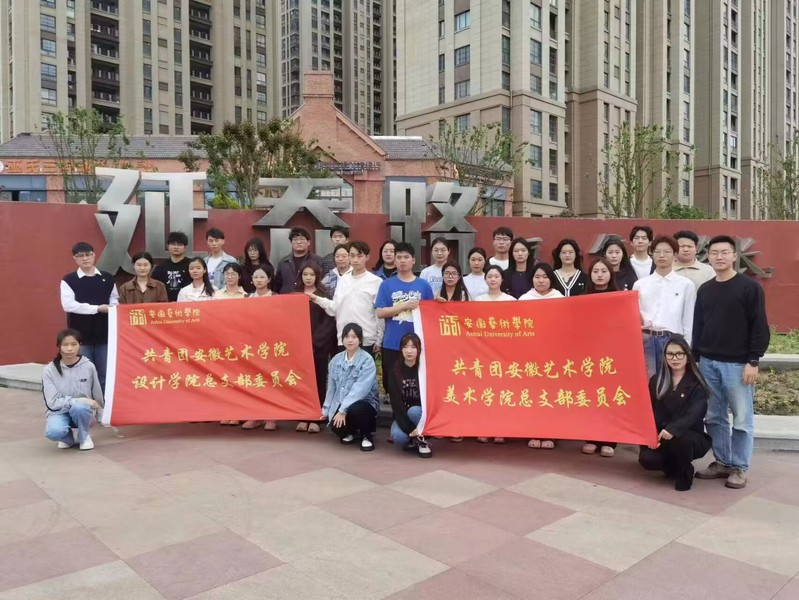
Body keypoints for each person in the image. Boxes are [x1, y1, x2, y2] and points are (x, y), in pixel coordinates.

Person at [693, 235, 770, 490]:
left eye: (724, 252)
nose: (719, 257)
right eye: (714, 253)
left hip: (738, 365)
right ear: (709, 256)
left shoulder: (749, 288)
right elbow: (698, 326)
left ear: (734, 256)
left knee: (742, 419)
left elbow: (759, 326)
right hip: (708, 363)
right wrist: (696, 358)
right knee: (714, 416)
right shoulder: (705, 289)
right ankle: (722, 461)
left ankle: (739, 466)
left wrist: (753, 361)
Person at [638, 335, 712, 491]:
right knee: (647, 459)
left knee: (681, 440)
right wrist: (651, 435)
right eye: (670, 354)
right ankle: (672, 467)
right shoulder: (656, 380)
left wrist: (673, 429)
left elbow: (694, 413)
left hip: (690, 436)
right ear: (664, 356)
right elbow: (650, 411)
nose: (675, 358)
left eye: (679, 354)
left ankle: (685, 473)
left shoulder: (697, 383)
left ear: (687, 356)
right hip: (663, 435)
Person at [375, 242, 435, 397]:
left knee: (416, 385)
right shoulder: (386, 285)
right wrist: (404, 306)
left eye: (406, 257)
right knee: (392, 385)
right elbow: (380, 312)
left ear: (413, 260)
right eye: (399, 257)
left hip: (417, 343)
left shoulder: (423, 285)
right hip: (392, 342)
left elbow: (431, 313)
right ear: (394, 261)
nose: (402, 261)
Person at [633, 236, 696, 378]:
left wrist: (686, 348)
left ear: (675, 255)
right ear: (652, 254)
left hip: (673, 341)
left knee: (672, 380)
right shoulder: (640, 284)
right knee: (648, 380)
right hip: (646, 339)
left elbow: (688, 320)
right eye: (657, 252)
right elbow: (634, 316)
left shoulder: (686, 285)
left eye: (667, 252)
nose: (661, 255)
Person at [60, 241, 118, 392]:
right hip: (81, 337)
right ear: (75, 258)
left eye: (88, 254)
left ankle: (103, 403)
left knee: (105, 374)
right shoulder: (69, 280)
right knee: (83, 374)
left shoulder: (107, 277)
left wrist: (112, 307)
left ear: (94, 255)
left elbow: (114, 299)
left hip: (105, 335)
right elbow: (69, 305)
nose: (85, 258)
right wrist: (97, 308)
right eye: (80, 256)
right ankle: (85, 403)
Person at [310, 241, 384, 356]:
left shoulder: (376, 281)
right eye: (352, 256)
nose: (355, 260)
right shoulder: (343, 280)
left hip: (366, 338)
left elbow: (379, 313)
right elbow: (335, 308)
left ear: (367, 257)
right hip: (344, 338)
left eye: (359, 256)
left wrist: (379, 339)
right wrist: (316, 299)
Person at [519, 262, 561, 449]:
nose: (541, 280)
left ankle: (552, 434)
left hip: (553, 354)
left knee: (551, 395)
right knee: (534, 395)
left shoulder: (559, 298)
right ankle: (534, 432)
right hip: (531, 355)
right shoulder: (524, 299)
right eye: (537, 277)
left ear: (551, 279)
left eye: (545, 277)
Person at [42, 329, 104, 451]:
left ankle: (84, 436)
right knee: (53, 432)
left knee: (80, 407)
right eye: (65, 345)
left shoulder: (88, 366)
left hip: (83, 412)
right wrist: (80, 400)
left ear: (80, 345)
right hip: (58, 411)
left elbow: (97, 393)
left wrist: (101, 415)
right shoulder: (49, 370)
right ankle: (67, 438)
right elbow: (52, 402)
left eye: (74, 344)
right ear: (58, 347)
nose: (70, 349)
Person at [582, 257, 619, 456]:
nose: (599, 275)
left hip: (611, 354)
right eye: (595, 271)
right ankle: (591, 438)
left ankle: (609, 440)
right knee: (590, 396)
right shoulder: (583, 298)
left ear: (610, 274)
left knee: (609, 397)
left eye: (604, 271)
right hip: (589, 354)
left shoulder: (619, 297)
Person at [323, 323, 380, 451]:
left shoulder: (367, 360)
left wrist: (343, 410)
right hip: (342, 402)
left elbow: (360, 389)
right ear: (342, 339)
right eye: (347, 336)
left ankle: (366, 435)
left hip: (364, 403)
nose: (350, 340)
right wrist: (326, 410)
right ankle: (351, 432)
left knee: (357, 409)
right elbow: (331, 388)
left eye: (354, 337)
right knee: (335, 426)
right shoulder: (335, 360)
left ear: (360, 340)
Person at [299, 264, 338, 433]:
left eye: (312, 274)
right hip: (299, 347)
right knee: (301, 381)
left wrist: (314, 342)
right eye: (305, 274)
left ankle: (316, 417)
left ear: (317, 276)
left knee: (319, 380)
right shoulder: (295, 295)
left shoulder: (324, 296)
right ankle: (302, 416)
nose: (308, 278)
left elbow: (329, 323)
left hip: (318, 347)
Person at [241, 264, 278, 431]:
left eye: (262, 277)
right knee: (253, 381)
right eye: (256, 277)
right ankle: (254, 415)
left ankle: (271, 417)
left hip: (270, 345)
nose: (259, 280)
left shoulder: (276, 298)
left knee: (270, 380)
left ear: (269, 279)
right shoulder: (246, 298)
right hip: (251, 345)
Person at [388, 333, 432, 457]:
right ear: (401, 349)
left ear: (419, 349)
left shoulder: (424, 369)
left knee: (414, 411)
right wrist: (409, 428)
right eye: (405, 347)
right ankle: (413, 439)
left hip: (420, 414)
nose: (409, 351)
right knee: (398, 437)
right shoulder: (395, 371)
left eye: (413, 347)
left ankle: (422, 440)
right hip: (403, 414)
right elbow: (396, 403)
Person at [274, 227, 322, 294]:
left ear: (308, 242)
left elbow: (321, 282)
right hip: (286, 298)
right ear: (291, 243)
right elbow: (277, 285)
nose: (299, 242)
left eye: (302, 239)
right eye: (295, 239)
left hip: (310, 298)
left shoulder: (317, 260)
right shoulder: (283, 262)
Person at [152, 231, 192, 302]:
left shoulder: (191, 265)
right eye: (173, 244)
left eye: (179, 244)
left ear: (185, 247)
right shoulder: (160, 268)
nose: (176, 247)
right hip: (165, 305)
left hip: (187, 303)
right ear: (168, 246)